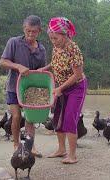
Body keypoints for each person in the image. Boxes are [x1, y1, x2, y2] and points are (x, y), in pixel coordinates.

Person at [38, 17, 87, 164]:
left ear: (65, 35)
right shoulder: (56, 47)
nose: (53, 41)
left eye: (56, 38)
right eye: (51, 38)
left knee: (69, 119)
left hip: (76, 88)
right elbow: (55, 63)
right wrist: (44, 69)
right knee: (57, 117)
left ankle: (72, 156)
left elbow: (77, 75)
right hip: (61, 87)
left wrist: (60, 88)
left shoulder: (73, 48)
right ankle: (61, 149)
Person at [0, 15, 46, 157]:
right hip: (13, 86)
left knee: (30, 118)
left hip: (30, 89)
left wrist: (40, 72)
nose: (30, 34)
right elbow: (2, 62)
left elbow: (41, 71)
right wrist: (17, 66)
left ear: (39, 31)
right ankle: (16, 144)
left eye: (34, 31)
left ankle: (30, 146)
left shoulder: (42, 49)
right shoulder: (14, 42)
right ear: (23, 29)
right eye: (28, 31)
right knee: (16, 116)